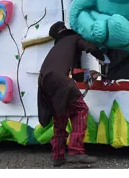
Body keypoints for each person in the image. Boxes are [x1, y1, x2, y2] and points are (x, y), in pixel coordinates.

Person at [38, 21, 103, 167]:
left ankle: (57, 155)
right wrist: (103, 58)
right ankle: (76, 151)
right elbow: (89, 47)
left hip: (45, 82)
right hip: (60, 80)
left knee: (60, 116)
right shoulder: (73, 39)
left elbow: (68, 74)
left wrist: (88, 75)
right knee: (81, 110)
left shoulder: (57, 49)